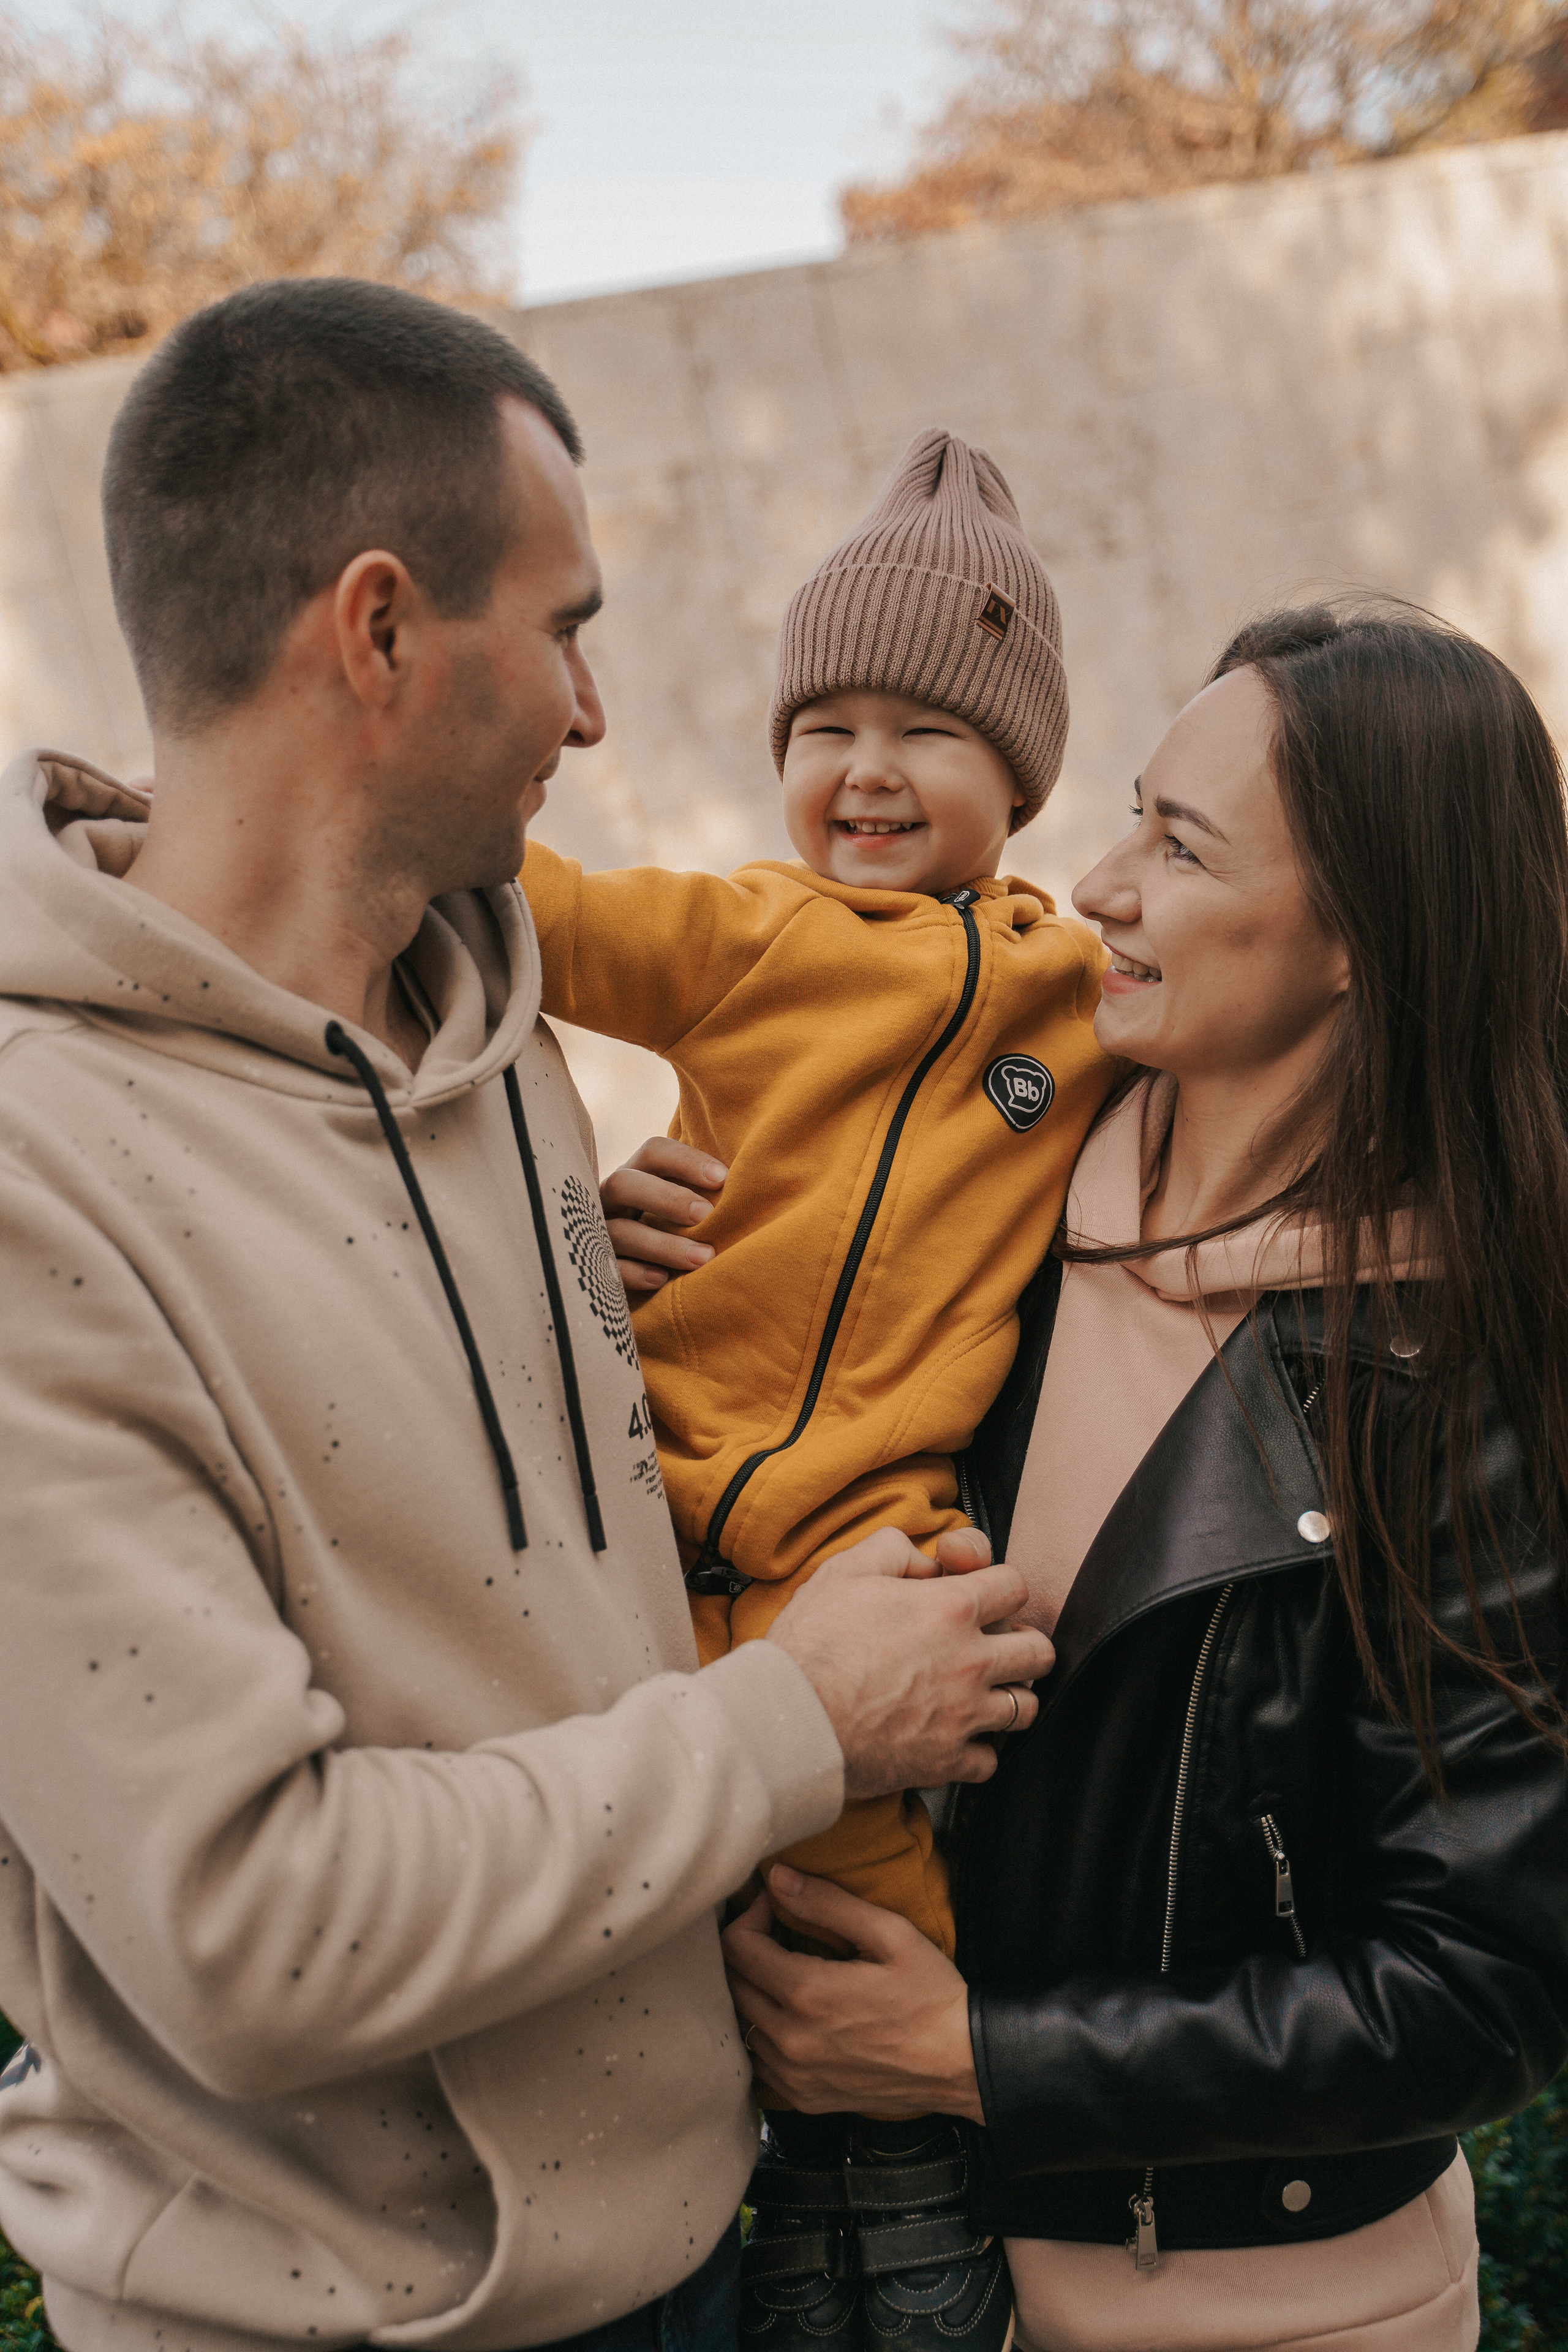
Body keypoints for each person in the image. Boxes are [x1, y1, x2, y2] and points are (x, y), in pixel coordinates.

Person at [0, 277, 1055, 2352]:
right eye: (568, 632)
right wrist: (804, 1722)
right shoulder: (43, 1185)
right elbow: (251, 1931)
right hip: (343, 2325)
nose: (600, 719)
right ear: (381, 632)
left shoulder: (498, 1050)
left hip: (697, 2247)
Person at [628, 605, 1568, 2351]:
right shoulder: (990, 1187)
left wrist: (973, 2057)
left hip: (1269, 2306)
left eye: (1179, 844)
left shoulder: (1470, 1366)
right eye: (1131, 812)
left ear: (1360, 932)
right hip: (890, 2266)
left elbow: (1486, 1987)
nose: (1103, 885)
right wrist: (630, 1267)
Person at [522, 430, 1115, 2352]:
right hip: (654, 1504)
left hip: (867, 1543)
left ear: (1018, 776)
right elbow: (528, 909)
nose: (866, 770)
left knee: (866, 1915)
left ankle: (900, 2224)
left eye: (931, 732)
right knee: (643, 1918)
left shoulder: (1074, 1003)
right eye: (828, 724)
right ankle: (745, 2207)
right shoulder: (746, 939)